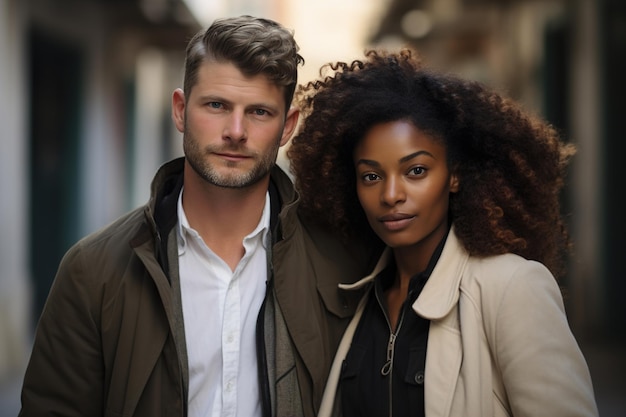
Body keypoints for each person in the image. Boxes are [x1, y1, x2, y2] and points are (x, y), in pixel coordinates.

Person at [19, 15, 373, 417]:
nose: (236, 131)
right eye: (217, 105)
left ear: (287, 126)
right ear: (181, 110)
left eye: (259, 112)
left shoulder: (343, 263)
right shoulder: (93, 270)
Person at [287, 49, 598, 417]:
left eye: (415, 171)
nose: (391, 195)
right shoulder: (357, 299)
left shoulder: (511, 288)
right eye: (371, 176)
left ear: (454, 175)